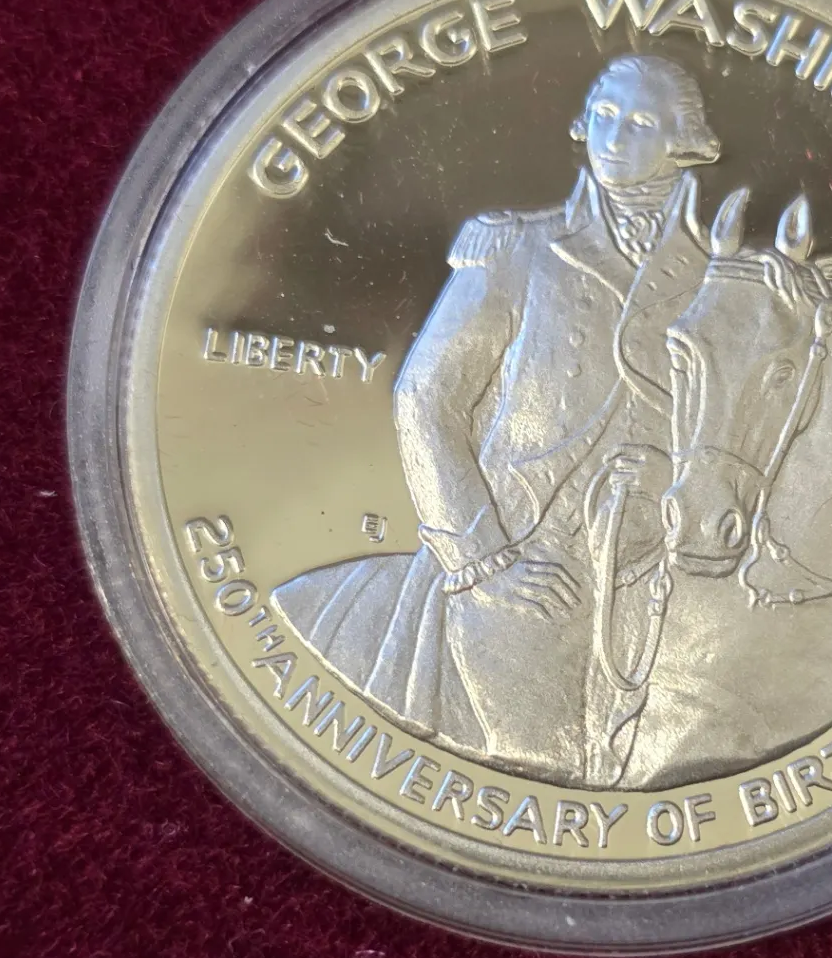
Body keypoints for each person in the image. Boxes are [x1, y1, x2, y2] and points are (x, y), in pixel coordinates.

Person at [271, 55, 720, 785]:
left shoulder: (717, 277)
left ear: (684, 141)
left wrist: (672, 474)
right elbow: (428, 398)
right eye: (604, 116)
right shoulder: (514, 247)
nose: (614, 139)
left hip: (663, 573)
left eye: (641, 123)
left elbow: (737, 430)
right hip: (525, 564)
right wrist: (483, 560)